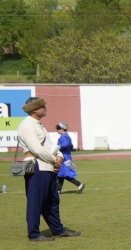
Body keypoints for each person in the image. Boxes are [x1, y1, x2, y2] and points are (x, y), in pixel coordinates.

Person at [17, 96, 80, 242]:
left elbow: (50, 146)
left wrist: (59, 156)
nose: (45, 108)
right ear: (34, 109)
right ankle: (34, 233)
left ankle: (57, 230)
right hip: (36, 165)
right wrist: (55, 160)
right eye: (42, 106)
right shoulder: (27, 125)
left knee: (52, 200)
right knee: (36, 201)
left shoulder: (39, 125)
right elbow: (37, 149)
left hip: (47, 166)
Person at [55, 122, 85, 193]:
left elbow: (64, 145)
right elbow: (71, 146)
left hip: (63, 158)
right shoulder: (67, 136)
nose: (57, 130)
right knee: (61, 174)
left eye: (58, 129)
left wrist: (58, 148)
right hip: (67, 157)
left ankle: (80, 184)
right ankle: (58, 190)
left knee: (64, 174)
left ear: (62, 129)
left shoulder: (63, 137)